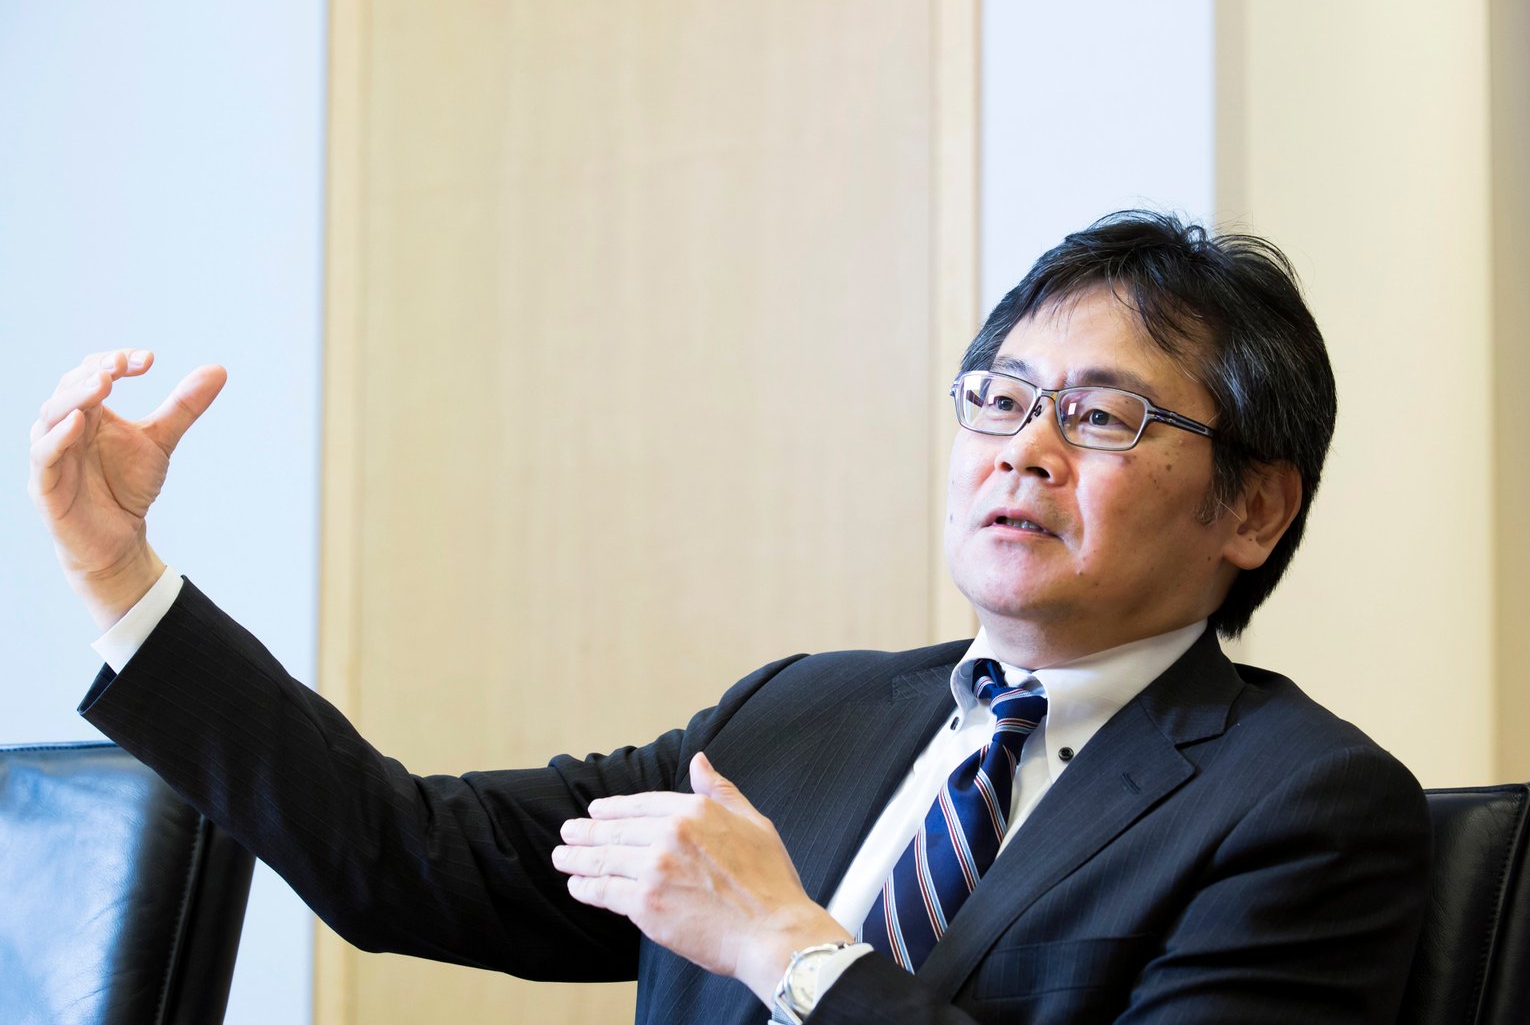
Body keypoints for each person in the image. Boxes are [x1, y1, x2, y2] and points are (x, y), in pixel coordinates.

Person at [28, 212, 1431, 1024]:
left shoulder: (1302, 807)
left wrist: (791, 951)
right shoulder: (805, 717)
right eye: (1000, 399)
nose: (1024, 450)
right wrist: (119, 574)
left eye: (1101, 416)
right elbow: (407, 858)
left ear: (1254, 510)